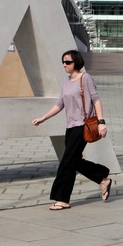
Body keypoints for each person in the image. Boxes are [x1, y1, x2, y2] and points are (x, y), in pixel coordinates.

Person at [32, 50, 112, 210]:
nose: (64, 65)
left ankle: (62, 199)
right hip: (70, 127)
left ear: (76, 62)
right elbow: (59, 104)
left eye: (67, 62)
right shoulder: (67, 81)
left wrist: (101, 122)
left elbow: (96, 100)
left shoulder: (85, 78)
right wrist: (43, 118)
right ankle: (102, 178)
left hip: (82, 126)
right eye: (63, 62)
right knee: (73, 161)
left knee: (67, 163)